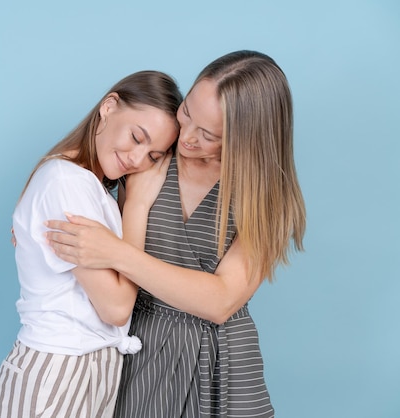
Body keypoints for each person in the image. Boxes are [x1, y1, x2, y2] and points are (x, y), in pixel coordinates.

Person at [45, 50, 306, 418]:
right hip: (139, 349)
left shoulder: (264, 195)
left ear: (248, 138)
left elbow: (221, 301)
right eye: (187, 114)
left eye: (209, 135)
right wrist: (33, 213)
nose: (185, 138)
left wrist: (116, 254)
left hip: (222, 365)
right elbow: (74, 173)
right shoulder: (150, 153)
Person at [0, 70, 182, 418]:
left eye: (154, 156)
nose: (138, 160)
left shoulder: (89, 188)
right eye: (137, 137)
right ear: (109, 107)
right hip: (54, 369)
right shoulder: (65, 181)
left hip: (90, 368)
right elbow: (116, 307)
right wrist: (137, 204)